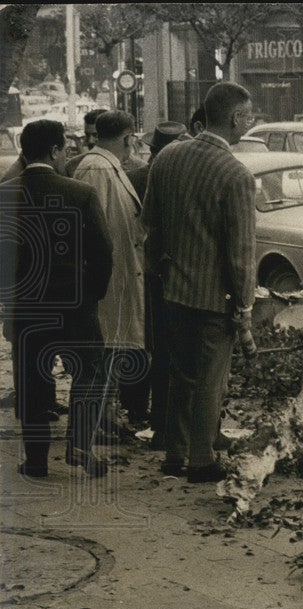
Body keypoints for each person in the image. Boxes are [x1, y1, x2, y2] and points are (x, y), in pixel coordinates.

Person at [142, 83, 257, 483]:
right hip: (214, 297)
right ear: (235, 119)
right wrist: (245, 307)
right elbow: (241, 252)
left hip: (172, 289)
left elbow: (149, 227)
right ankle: (203, 459)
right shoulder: (236, 175)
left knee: (180, 374)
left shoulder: (167, 157)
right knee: (211, 380)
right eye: (249, 114)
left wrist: (161, 271)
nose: (251, 120)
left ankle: (175, 454)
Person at [0, 120, 114, 477]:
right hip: (75, 306)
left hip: (26, 308)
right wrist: (91, 295)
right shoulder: (79, 193)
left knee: (31, 384)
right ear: (53, 151)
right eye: (65, 148)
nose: (67, 155)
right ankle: (79, 444)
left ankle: (35, 461)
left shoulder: (4, 194)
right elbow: (103, 254)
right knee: (90, 373)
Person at [72, 110, 147, 434]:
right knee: (104, 350)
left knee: (112, 348)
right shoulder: (96, 169)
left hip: (116, 276)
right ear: (128, 138)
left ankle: (106, 416)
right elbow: (89, 229)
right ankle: (99, 421)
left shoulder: (102, 166)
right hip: (107, 281)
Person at [127, 121, 190, 449]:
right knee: (167, 350)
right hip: (166, 272)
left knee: (145, 342)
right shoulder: (173, 176)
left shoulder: (138, 175)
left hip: (143, 269)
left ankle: (142, 412)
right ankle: (164, 422)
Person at [64, 108, 109, 178]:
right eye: (87, 135)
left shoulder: (127, 164)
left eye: (96, 135)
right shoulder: (72, 166)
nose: (90, 141)